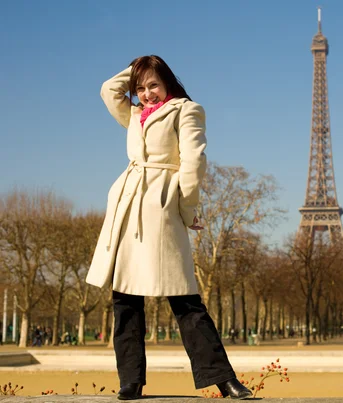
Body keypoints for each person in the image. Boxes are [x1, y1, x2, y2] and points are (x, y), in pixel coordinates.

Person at [85, 55, 251, 401]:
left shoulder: (186, 110)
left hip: (162, 204)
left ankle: (223, 379)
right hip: (128, 206)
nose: (146, 94)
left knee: (185, 298)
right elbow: (107, 89)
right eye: (140, 88)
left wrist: (187, 209)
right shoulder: (133, 115)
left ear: (169, 83)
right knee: (125, 300)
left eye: (154, 85)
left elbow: (193, 163)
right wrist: (138, 69)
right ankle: (130, 381)